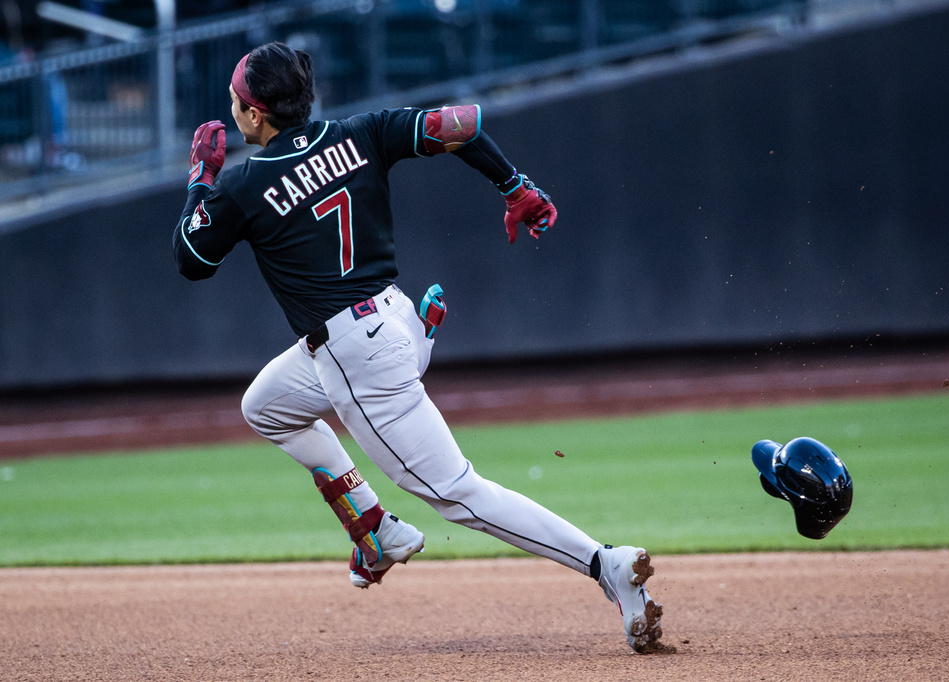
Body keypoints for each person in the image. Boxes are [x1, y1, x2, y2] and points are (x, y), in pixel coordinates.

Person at [172, 41, 665, 654]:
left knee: (459, 495)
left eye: (236, 105)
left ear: (254, 115)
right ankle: (373, 529)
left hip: (352, 353)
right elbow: (462, 126)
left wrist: (201, 178)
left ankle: (604, 564)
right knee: (266, 405)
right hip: (389, 314)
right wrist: (516, 187)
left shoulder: (243, 183)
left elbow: (191, 260)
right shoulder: (364, 131)